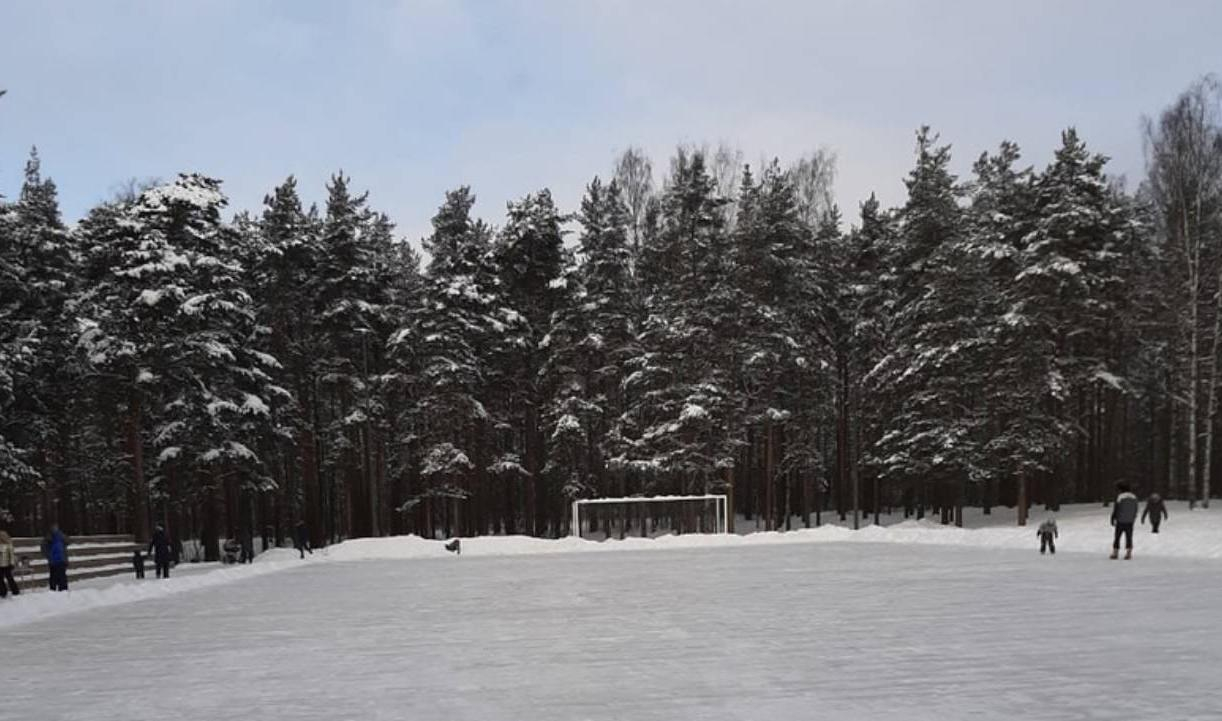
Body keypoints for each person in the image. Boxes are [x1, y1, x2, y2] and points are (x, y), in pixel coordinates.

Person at [1110, 482, 1139, 560]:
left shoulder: (1120, 497)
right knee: (1129, 536)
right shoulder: (1134, 497)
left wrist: (1113, 518)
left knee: (1117, 536)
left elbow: (1116, 509)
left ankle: (1115, 552)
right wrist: (1133, 517)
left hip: (1120, 520)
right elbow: (1136, 508)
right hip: (1130, 520)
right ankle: (1128, 552)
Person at [43, 524, 69, 591]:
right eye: (53, 528)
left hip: (61, 560)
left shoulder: (61, 536)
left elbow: (67, 542)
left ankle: (63, 591)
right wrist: (48, 556)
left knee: (62, 578)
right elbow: (43, 548)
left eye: (56, 528)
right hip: (53, 561)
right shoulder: (48, 537)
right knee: (53, 578)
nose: (55, 529)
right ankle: (53, 591)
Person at [0, 530, 20, 597]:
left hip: (7, 565)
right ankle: (3, 592)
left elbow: (11, 555)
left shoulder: (8, 545)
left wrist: (12, 563)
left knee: (9, 578)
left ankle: (15, 591)